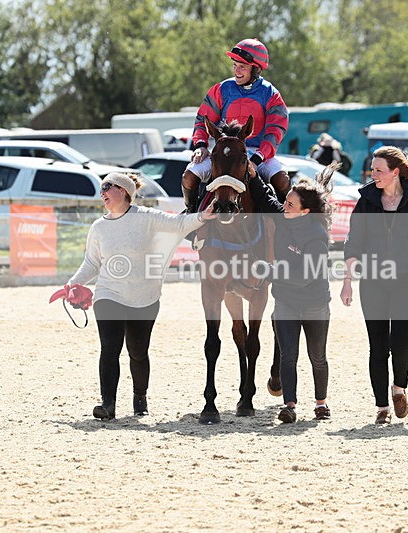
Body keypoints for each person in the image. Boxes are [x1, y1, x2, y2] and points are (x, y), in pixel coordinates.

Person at [65, 172, 215, 420]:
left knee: (138, 351)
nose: (102, 192)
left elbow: (178, 225)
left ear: (124, 191)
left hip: (144, 297)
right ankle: (108, 404)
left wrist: (202, 216)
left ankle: (140, 397)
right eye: (101, 188)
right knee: (109, 349)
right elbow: (91, 263)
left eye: (107, 187)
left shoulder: (147, 217)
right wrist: (73, 284)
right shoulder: (99, 227)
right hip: (108, 294)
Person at [341, 146, 408, 424]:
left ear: (395, 172)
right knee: (377, 345)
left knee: (401, 343)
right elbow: (353, 243)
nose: (373, 175)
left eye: (378, 171)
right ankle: (382, 407)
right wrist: (347, 281)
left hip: (407, 281)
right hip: (372, 281)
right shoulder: (366, 201)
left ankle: (399, 388)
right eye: (372, 170)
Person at [247, 168, 333, 424]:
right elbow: (265, 199)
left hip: (315, 303)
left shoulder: (318, 236)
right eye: (286, 201)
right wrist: (253, 176)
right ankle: (289, 406)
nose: (284, 205)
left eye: (290, 203)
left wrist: (270, 271)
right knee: (288, 356)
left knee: (317, 357)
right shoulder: (285, 218)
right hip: (285, 301)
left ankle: (321, 403)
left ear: (305, 211)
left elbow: (304, 276)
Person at [182, 38, 290, 210]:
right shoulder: (221, 89)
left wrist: (256, 159)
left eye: (242, 67)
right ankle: (191, 213)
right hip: (224, 153)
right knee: (189, 176)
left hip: (258, 154)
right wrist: (201, 145)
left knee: (282, 179)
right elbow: (203, 118)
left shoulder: (271, 94)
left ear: (255, 69)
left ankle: (288, 222)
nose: (237, 71)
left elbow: (276, 130)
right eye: (234, 65)